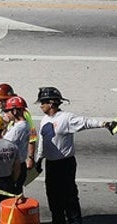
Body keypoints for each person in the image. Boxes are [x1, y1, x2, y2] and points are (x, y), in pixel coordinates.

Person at [34, 87, 116, 224]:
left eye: (43, 102)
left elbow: (86, 122)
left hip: (65, 164)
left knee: (69, 197)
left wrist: (105, 124)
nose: (41, 105)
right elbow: (43, 141)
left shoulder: (66, 118)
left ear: (52, 103)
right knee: (53, 196)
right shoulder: (44, 120)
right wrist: (39, 159)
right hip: (51, 164)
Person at [1, 96, 30, 194]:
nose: (6, 114)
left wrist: (3, 124)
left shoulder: (19, 128)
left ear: (14, 111)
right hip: (18, 165)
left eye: (7, 111)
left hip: (14, 167)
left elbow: (3, 144)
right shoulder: (19, 125)